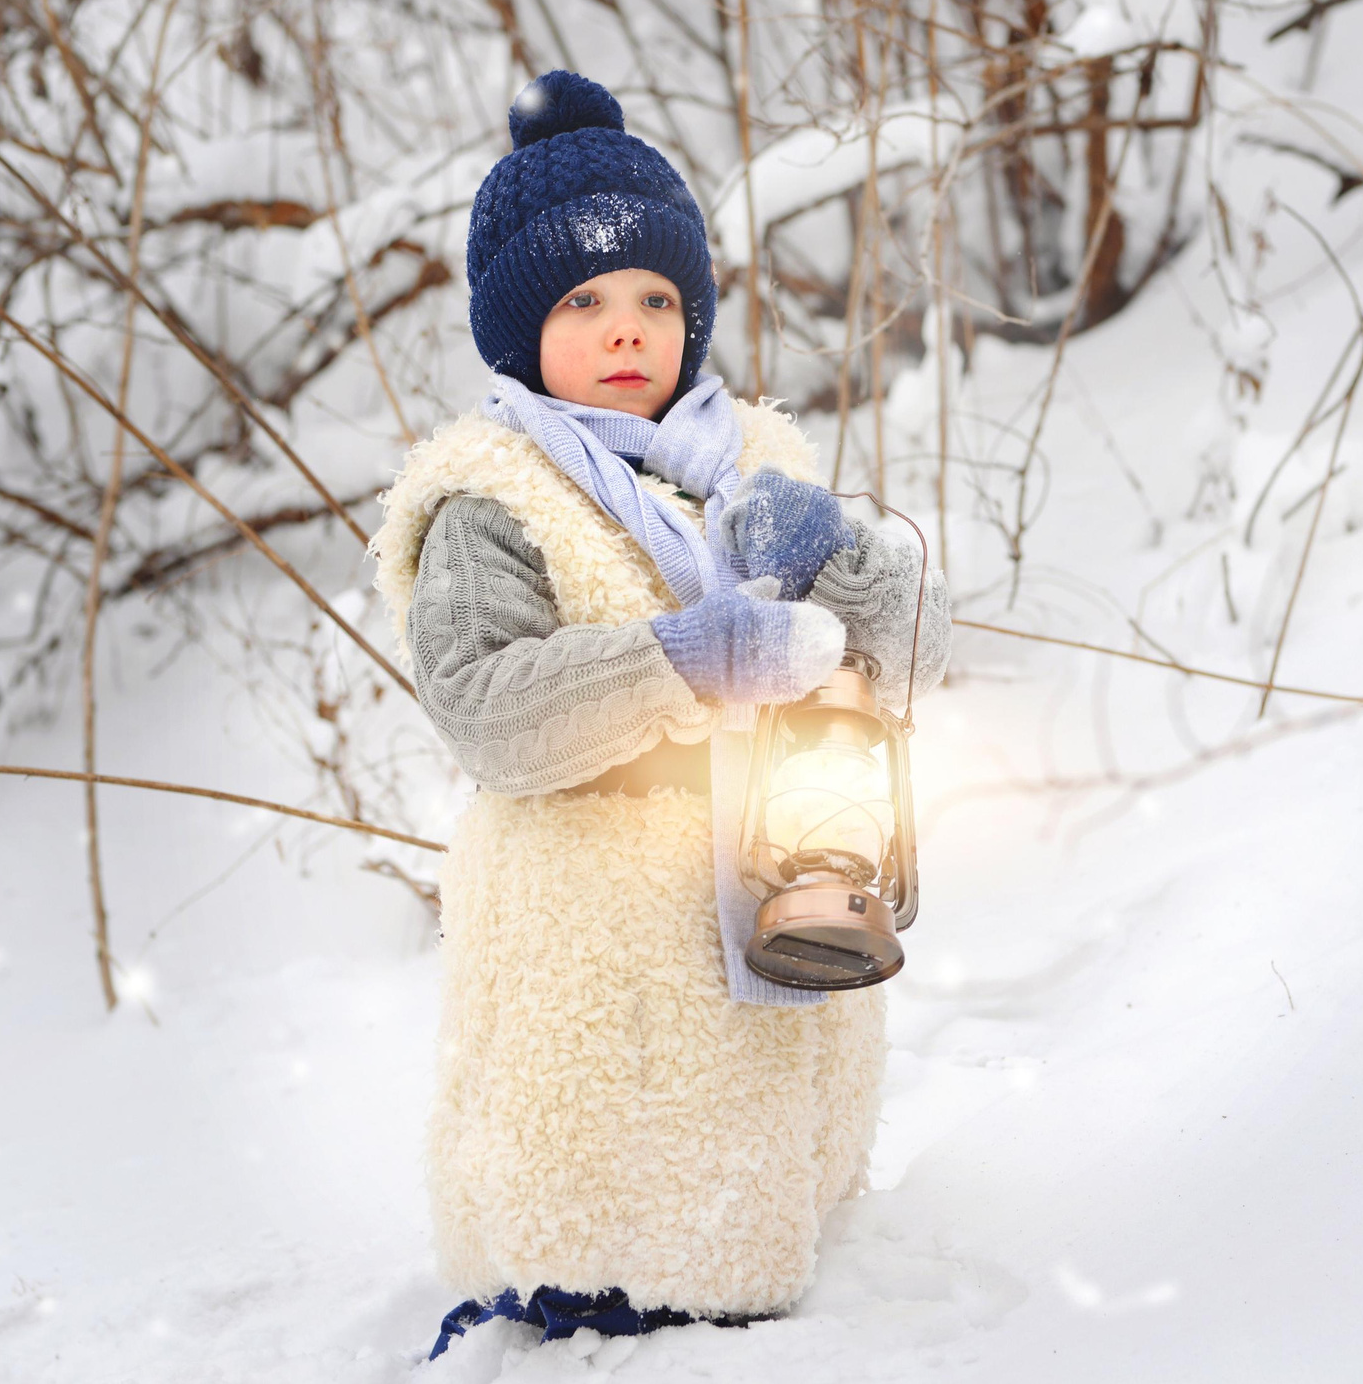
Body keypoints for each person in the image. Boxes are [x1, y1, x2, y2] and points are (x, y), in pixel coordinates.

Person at [370, 71, 950, 1358]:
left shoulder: (757, 461)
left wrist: (841, 564)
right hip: (605, 977)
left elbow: (912, 660)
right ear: (522, 330)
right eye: (583, 300)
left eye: (656, 298)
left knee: (763, 1312)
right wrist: (691, 657)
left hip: (788, 930)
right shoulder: (492, 498)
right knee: (618, 1307)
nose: (627, 328)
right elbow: (483, 712)